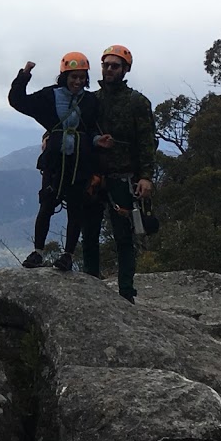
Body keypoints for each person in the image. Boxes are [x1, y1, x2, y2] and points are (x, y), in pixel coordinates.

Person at [8, 52, 101, 271]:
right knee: (47, 205)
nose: (77, 81)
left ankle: (67, 255)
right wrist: (24, 75)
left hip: (80, 162)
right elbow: (18, 101)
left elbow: (91, 130)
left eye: (81, 77)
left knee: (75, 209)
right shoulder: (49, 96)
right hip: (55, 162)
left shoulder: (90, 101)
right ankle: (38, 251)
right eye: (73, 77)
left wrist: (99, 140)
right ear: (64, 76)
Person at [81, 44, 156, 303]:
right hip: (94, 177)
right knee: (89, 234)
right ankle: (91, 289)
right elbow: (74, 126)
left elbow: (147, 141)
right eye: (106, 65)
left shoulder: (137, 102)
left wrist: (146, 176)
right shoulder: (91, 100)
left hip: (124, 178)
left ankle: (126, 293)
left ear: (125, 70)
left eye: (115, 65)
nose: (109, 69)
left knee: (124, 238)